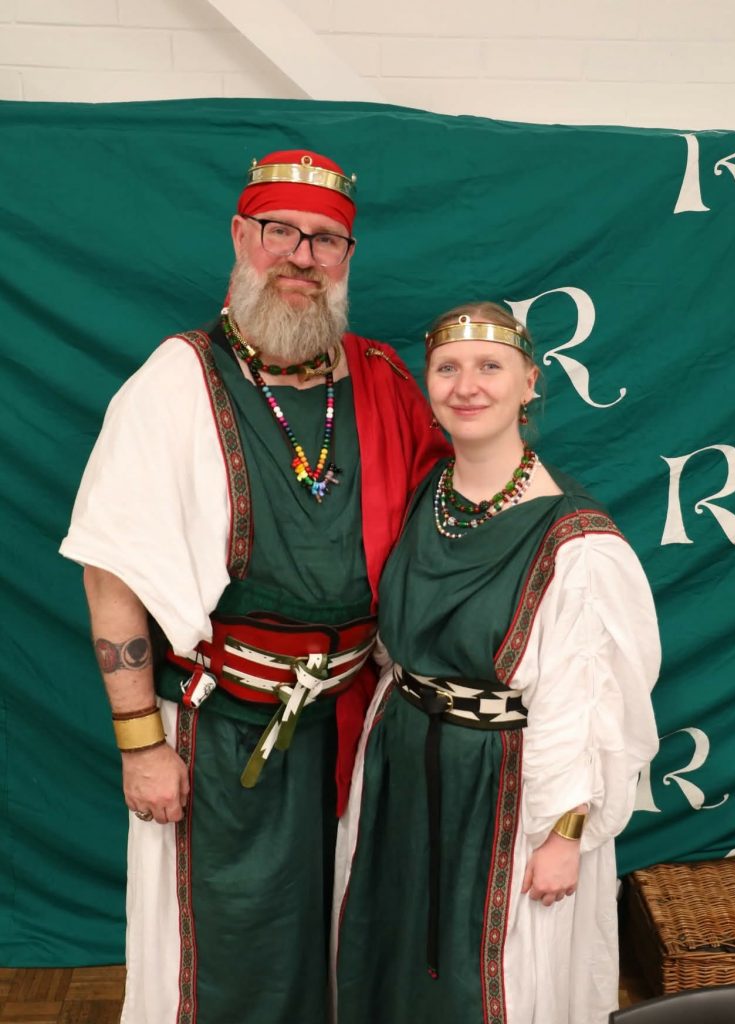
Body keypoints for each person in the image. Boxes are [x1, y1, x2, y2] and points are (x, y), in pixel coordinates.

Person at [60, 149, 449, 1024]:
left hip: (354, 718)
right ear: (242, 236)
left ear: (348, 258)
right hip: (220, 725)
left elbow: (451, 524)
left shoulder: (382, 381)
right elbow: (111, 569)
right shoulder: (174, 382)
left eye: (326, 241)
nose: (302, 258)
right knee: (229, 955)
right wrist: (138, 745)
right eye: (281, 232)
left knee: (347, 938)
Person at [333, 301, 660, 1024]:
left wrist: (562, 837)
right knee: (387, 959)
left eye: (489, 367)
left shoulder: (574, 540)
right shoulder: (424, 495)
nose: (466, 386)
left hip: (508, 790)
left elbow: (586, 706)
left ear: (529, 383)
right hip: (400, 769)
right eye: (447, 369)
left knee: (496, 978)